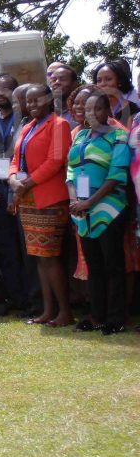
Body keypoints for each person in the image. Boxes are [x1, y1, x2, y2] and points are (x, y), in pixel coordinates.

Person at [9, 84, 73, 327]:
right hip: (28, 199)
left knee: (50, 257)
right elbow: (15, 159)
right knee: (39, 257)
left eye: (36, 100)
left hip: (49, 199)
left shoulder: (59, 125)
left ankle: (64, 311)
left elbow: (55, 160)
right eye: (29, 101)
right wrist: (13, 179)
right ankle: (47, 311)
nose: (32, 104)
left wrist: (27, 183)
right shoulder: (28, 127)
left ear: (48, 100)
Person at [67, 90, 129, 334]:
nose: (92, 113)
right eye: (88, 109)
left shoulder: (118, 136)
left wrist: (89, 202)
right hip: (82, 212)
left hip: (109, 209)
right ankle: (97, 316)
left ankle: (116, 319)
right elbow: (70, 170)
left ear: (108, 111)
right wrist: (75, 200)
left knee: (113, 265)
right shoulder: (81, 135)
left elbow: (117, 174)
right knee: (94, 266)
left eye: (98, 109)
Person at [0, 75, 28, 310]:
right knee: (5, 246)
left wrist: (16, 191)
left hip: (21, 186)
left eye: (5, 89)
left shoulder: (25, 119)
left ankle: (34, 299)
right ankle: (15, 298)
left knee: (25, 246)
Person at [93, 59, 138, 127]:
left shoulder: (133, 111)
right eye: (99, 80)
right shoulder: (93, 109)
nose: (103, 84)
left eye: (108, 79)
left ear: (119, 81)